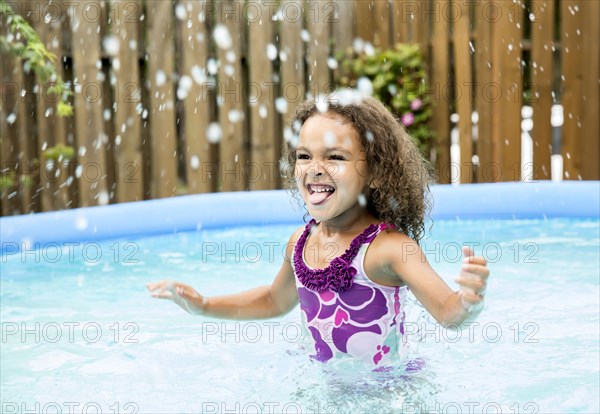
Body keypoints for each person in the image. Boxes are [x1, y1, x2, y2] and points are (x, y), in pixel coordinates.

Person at [147, 94, 489, 367]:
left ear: (376, 172)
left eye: (335, 157)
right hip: (326, 387)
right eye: (304, 156)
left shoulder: (389, 248)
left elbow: (447, 313)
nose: (315, 169)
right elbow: (274, 300)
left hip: (387, 395)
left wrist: (468, 304)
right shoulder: (301, 242)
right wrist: (204, 305)